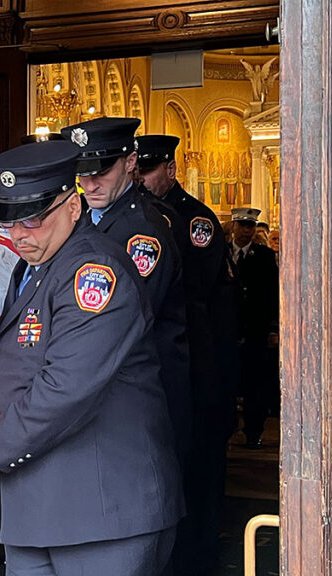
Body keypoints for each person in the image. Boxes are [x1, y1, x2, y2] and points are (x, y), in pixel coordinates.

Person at [0, 140, 183, 576]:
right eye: (10, 221)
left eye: (34, 218)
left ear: (73, 206)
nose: (20, 233)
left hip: (101, 510)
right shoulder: (35, 266)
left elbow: (68, 385)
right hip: (39, 508)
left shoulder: (94, 272)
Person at [137, 134, 239, 576]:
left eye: (149, 170)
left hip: (198, 360)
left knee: (199, 463)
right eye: (136, 169)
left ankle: (199, 555)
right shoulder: (135, 218)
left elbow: (190, 290)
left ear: (170, 171)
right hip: (160, 365)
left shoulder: (195, 220)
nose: (141, 178)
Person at [60, 118, 191, 461]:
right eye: (82, 172)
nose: (89, 183)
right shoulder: (82, 219)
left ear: (130, 162)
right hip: (99, 390)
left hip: (136, 393)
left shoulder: (145, 233)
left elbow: (123, 324)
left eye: (100, 170)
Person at [228, 207, 279, 449]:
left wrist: (272, 328)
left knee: (255, 385)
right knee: (227, 381)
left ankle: (253, 432)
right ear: (234, 227)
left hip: (255, 330)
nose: (247, 231)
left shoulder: (265, 256)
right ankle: (226, 429)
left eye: (251, 226)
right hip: (227, 330)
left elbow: (273, 295)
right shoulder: (222, 253)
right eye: (242, 226)